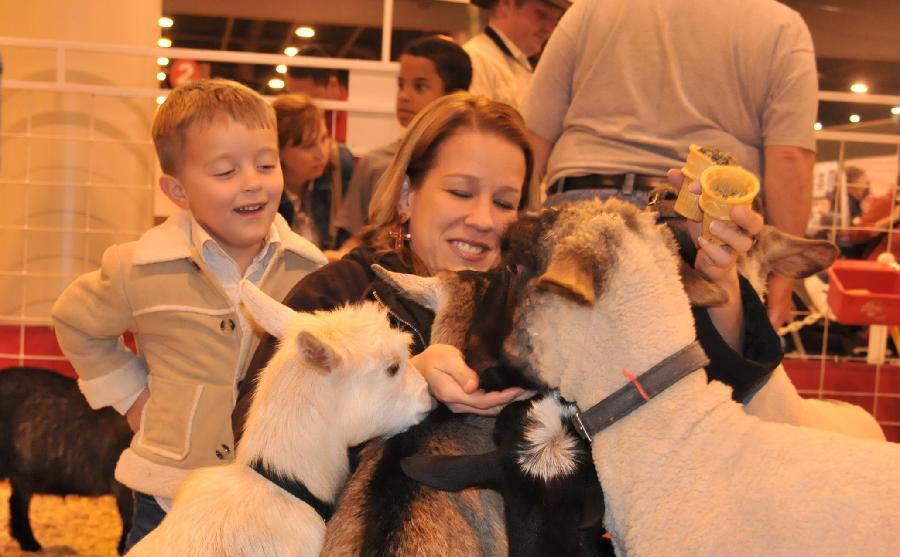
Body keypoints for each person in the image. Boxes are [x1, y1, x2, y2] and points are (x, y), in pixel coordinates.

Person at [235, 91, 780, 436]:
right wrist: (403, 381)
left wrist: (719, 280)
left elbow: (705, 386)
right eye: (459, 192)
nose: (481, 219)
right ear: (407, 193)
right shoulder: (340, 296)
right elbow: (257, 430)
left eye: (504, 201)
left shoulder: (547, 301)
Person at [50, 79, 327, 551]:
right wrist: (133, 397)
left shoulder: (309, 271)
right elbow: (75, 322)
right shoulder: (136, 266)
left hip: (271, 496)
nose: (253, 182)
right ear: (177, 190)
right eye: (225, 171)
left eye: (266, 164)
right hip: (168, 491)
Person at [523, 0, 819, 329]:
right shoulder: (780, 26)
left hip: (576, 220)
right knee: (690, 374)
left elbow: (533, 136)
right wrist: (782, 281)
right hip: (705, 234)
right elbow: (789, 157)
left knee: (567, 367)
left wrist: (520, 229)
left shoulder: (590, 9)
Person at [332, 35, 473, 253]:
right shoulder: (376, 163)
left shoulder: (472, 167)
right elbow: (356, 236)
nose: (404, 96)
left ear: (454, 96)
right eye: (401, 85)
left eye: (420, 87)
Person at [273, 93, 355, 254]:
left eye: (324, 139)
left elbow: (355, 230)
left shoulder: (339, 165)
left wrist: (342, 254)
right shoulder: (267, 188)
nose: (321, 153)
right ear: (278, 151)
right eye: (308, 146)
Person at [464, 0, 568, 110]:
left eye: (555, 21)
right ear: (506, 4)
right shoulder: (475, 59)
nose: (549, 29)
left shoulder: (527, 65)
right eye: (541, 15)